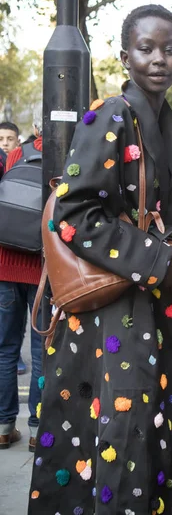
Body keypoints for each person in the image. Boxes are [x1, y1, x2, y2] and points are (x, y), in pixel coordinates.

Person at [29, 4, 172, 515]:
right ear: (125, 56)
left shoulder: (163, 124)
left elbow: (157, 224)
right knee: (119, 444)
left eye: (169, 48)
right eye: (146, 48)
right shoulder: (113, 114)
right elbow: (73, 211)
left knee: (144, 440)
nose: (159, 59)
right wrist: (162, 262)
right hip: (110, 320)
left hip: (149, 313)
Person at [0, 115, 43, 452]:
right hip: (43, 269)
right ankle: (36, 430)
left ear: (35, 126)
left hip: (5, 264)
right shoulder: (68, 159)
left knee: (5, 350)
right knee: (43, 353)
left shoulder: (17, 154)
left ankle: (3, 426)